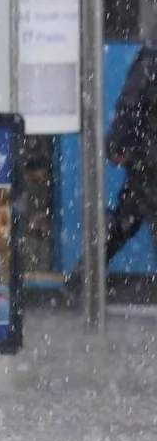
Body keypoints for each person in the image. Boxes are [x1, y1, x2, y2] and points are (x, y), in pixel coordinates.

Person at [66, 42, 157, 300]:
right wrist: (119, 144)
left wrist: (119, 144)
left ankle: (84, 275)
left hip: (146, 161)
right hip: (148, 163)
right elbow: (130, 105)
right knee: (125, 221)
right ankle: (84, 275)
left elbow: (129, 104)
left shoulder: (149, 59)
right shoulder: (150, 59)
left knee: (124, 221)